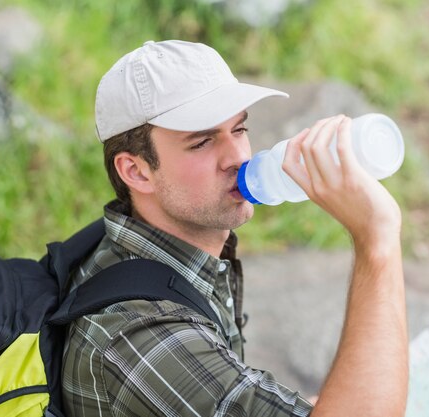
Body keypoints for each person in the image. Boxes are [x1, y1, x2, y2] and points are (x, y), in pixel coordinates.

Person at [62, 39, 408, 417]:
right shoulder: (141, 336)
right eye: (203, 141)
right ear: (136, 170)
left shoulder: (158, 251)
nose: (238, 157)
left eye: (239, 129)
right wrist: (377, 240)